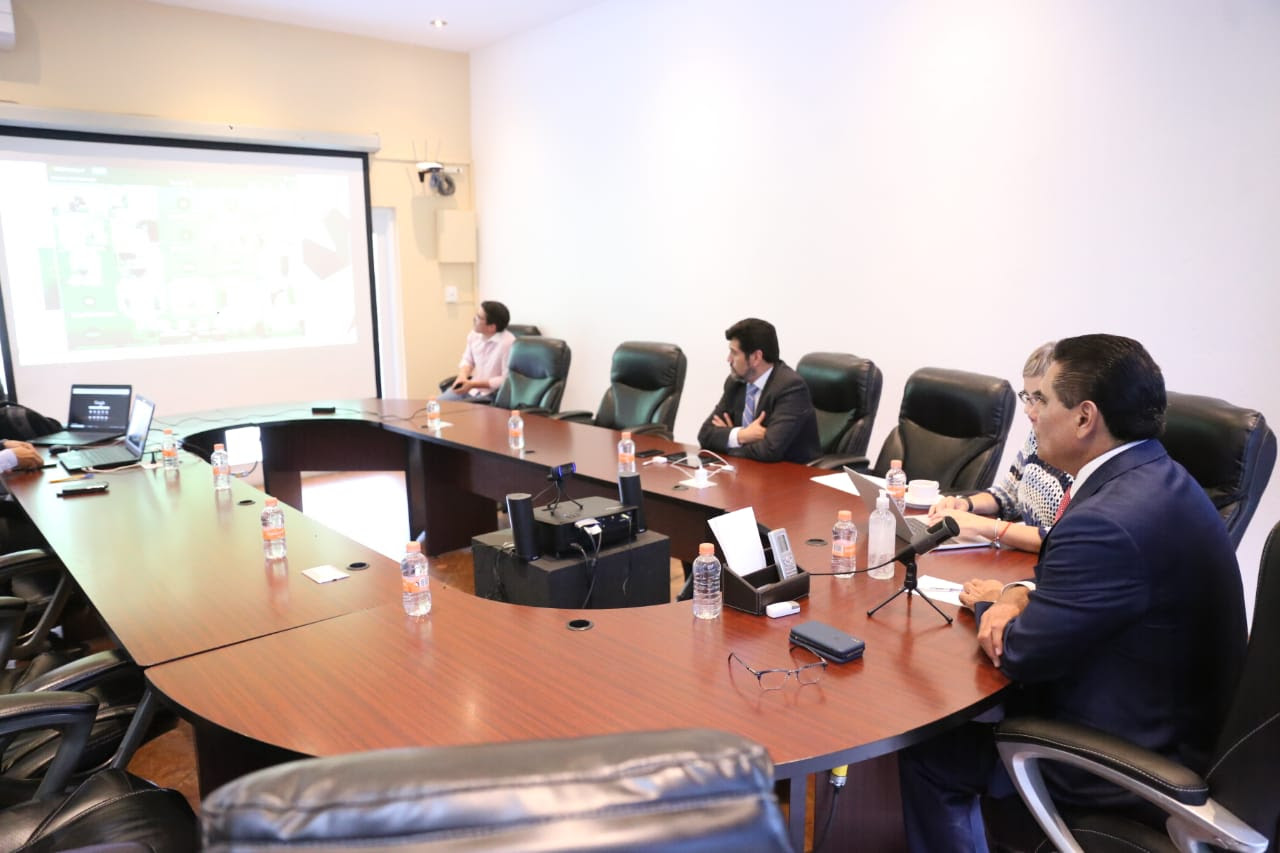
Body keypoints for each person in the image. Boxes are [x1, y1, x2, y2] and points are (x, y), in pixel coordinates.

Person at [898, 334, 1247, 853]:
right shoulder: (1158, 479)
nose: (1032, 416)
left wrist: (994, 604)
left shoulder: (1106, 521)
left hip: (1125, 764)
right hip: (1179, 729)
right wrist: (1018, 592)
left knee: (931, 755)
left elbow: (1020, 653)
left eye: (1041, 401)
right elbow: (1090, 586)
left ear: (1085, 418)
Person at [927, 343, 1072, 553]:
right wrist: (966, 504)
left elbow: (1063, 539)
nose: (1028, 410)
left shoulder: (1080, 455)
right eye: (1027, 397)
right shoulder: (1037, 434)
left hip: (1047, 563)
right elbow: (1008, 494)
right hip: (1022, 556)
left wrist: (985, 526)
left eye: (1039, 398)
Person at [697, 318, 820, 464]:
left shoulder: (790, 388)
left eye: (734, 353)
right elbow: (705, 435)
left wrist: (727, 441)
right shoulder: (736, 383)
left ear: (756, 357)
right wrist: (742, 435)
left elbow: (769, 450)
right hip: (747, 470)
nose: (728, 359)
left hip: (791, 472)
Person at [439, 301, 516, 402]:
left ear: (492, 327)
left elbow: (506, 380)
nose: (474, 318)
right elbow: (468, 360)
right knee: (435, 406)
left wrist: (473, 384)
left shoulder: (508, 343)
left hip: (492, 395)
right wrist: (462, 377)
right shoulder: (474, 335)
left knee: (454, 409)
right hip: (471, 389)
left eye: (479, 317)